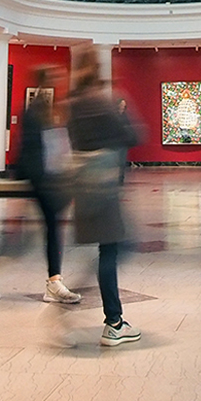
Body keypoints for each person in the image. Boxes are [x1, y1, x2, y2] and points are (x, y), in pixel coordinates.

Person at [66, 46, 141, 346]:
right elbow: (133, 137)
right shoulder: (103, 102)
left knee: (107, 250)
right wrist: (123, 114)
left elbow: (73, 142)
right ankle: (113, 322)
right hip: (103, 188)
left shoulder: (72, 105)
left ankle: (110, 317)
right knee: (115, 249)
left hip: (82, 188)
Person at [11, 65, 80, 303]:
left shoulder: (47, 108)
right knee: (51, 228)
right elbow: (34, 148)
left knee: (47, 230)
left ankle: (53, 279)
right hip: (42, 180)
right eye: (54, 77)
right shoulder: (36, 110)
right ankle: (53, 281)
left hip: (49, 179)